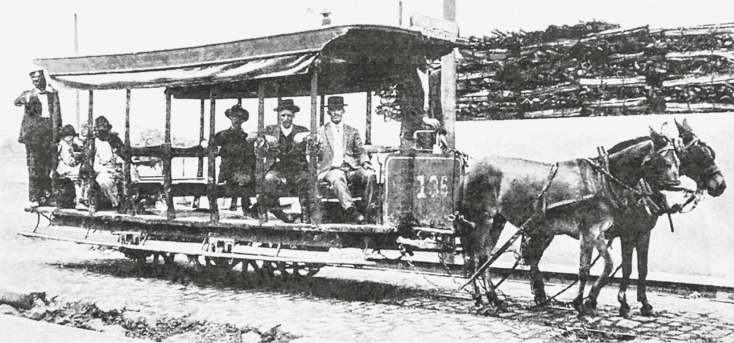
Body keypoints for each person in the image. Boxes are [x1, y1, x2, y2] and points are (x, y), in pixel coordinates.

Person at [316, 97, 377, 224]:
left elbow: (360, 151)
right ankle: (352, 212)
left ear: (343, 111)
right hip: (331, 169)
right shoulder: (321, 131)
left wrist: (365, 162)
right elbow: (315, 153)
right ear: (328, 112)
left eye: (339, 109)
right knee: (337, 177)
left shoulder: (352, 131)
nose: (336, 113)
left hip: (351, 168)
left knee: (369, 175)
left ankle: (367, 211)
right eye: (333, 109)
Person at [255, 99, 314, 223]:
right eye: (283, 115)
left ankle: (305, 214)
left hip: (297, 168)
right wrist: (265, 137)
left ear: (293, 116)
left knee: (306, 178)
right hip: (277, 169)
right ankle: (276, 210)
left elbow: (313, 138)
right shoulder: (271, 130)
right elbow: (252, 136)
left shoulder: (301, 129)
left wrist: (306, 136)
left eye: (289, 115)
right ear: (279, 116)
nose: (286, 118)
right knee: (269, 179)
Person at [14, 70, 62, 207]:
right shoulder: (28, 93)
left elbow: (58, 115)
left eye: (39, 79)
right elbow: (17, 102)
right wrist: (27, 97)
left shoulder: (52, 94)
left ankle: (46, 196)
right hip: (34, 137)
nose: (38, 82)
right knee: (35, 167)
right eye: (35, 80)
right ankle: (34, 197)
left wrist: (58, 132)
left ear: (44, 79)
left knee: (48, 166)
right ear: (32, 82)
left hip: (48, 134)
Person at [213, 104, 255, 212]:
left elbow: (250, 157)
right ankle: (226, 207)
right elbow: (210, 143)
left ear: (243, 120)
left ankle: (245, 208)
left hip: (242, 170)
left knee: (247, 178)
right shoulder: (222, 135)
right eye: (234, 116)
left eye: (240, 117)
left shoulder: (246, 137)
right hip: (227, 169)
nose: (237, 119)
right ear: (230, 118)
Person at [397, 67, 440, 150]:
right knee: (408, 158)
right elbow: (405, 105)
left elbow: (437, 105)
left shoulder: (433, 78)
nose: (429, 61)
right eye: (426, 57)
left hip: (428, 130)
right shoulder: (406, 78)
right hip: (410, 127)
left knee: (426, 158)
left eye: (431, 57)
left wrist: (441, 132)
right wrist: (422, 118)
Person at [87, 116, 124, 209]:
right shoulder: (93, 142)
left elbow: (122, 155)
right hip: (102, 170)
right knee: (104, 180)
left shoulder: (115, 140)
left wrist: (119, 167)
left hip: (116, 168)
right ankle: (116, 202)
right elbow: (89, 160)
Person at [55, 125, 83, 208]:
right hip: (64, 168)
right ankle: (80, 200)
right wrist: (77, 159)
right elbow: (68, 161)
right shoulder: (64, 146)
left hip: (65, 167)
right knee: (80, 176)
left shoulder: (66, 144)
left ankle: (79, 199)